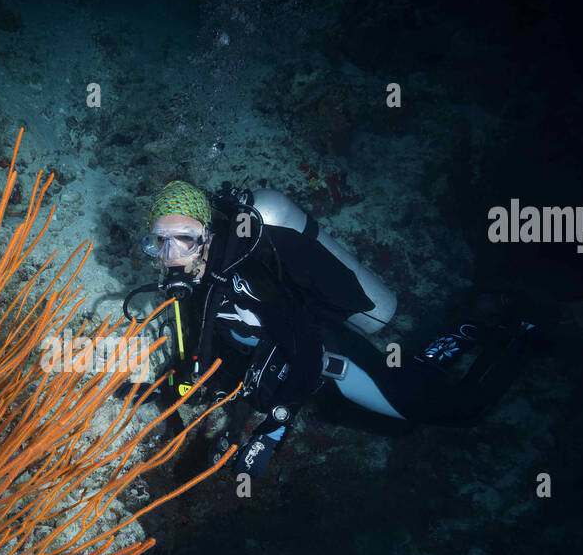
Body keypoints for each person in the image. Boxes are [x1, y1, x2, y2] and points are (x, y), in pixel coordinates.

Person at [129, 180, 547, 479]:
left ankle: (527, 332)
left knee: (458, 411)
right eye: (158, 243)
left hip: (333, 357)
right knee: (408, 399)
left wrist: (272, 429)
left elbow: (306, 351)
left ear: (206, 234)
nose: (171, 256)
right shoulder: (201, 287)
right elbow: (221, 348)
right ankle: (470, 324)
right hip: (297, 366)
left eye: (183, 239)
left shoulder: (244, 274)